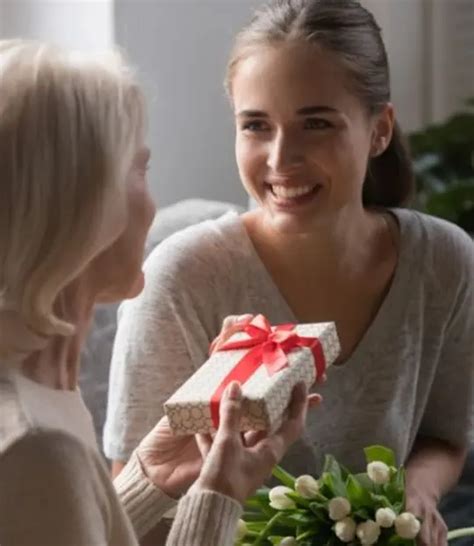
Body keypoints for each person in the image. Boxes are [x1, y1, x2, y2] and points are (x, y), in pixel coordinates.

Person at [103, 1, 474, 545]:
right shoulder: (180, 279)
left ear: (379, 131)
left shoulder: (445, 261)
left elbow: (446, 435)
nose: (281, 159)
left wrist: (416, 491)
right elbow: (131, 510)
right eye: (256, 126)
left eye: (316, 124)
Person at [0, 39, 314, 546]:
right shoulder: (35, 445)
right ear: (82, 204)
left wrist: (150, 478)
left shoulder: (43, 397)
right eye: (139, 170)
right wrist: (217, 497)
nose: (154, 202)